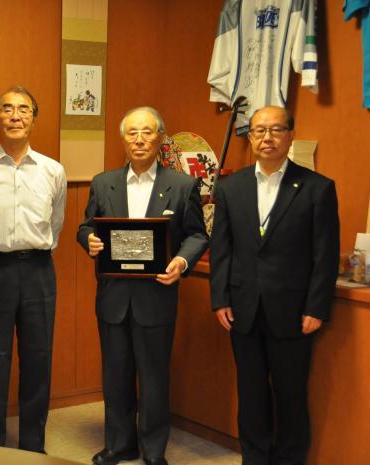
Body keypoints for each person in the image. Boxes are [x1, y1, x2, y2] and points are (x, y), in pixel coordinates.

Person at [77, 106, 208, 465]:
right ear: (123, 139)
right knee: (115, 376)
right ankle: (120, 444)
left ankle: (153, 451)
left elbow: (197, 234)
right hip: (114, 298)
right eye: (132, 133)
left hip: (157, 295)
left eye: (147, 132)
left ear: (160, 138)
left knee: (153, 379)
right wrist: (88, 240)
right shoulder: (104, 182)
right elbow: (86, 226)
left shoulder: (182, 185)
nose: (139, 140)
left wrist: (181, 262)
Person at [209, 105, 340, 465]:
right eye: (259, 131)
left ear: (290, 135)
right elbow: (222, 249)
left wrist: (316, 308)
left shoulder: (317, 188)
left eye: (276, 130)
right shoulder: (230, 188)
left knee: (291, 395)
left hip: (294, 312)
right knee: (251, 394)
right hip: (243, 310)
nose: (267, 138)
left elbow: (324, 256)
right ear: (250, 137)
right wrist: (220, 299)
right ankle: (254, 458)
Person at [0, 85, 67, 452]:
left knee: (38, 357)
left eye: (23, 109)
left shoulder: (53, 170)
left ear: (34, 118)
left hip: (39, 270)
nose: (15, 115)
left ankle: (33, 444)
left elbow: (56, 224)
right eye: (7, 108)